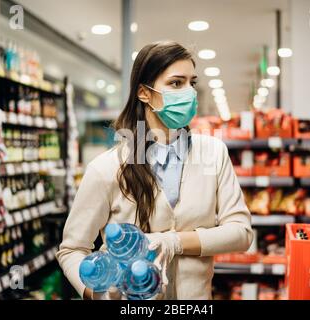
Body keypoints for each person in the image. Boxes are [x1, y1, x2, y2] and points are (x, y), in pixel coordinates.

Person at [56, 41, 253, 300]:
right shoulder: (107, 168)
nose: (189, 93)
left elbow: (241, 232)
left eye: (191, 83)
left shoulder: (214, 154)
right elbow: (72, 249)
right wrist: (95, 293)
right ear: (144, 93)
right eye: (175, 83)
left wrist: (174, 242)